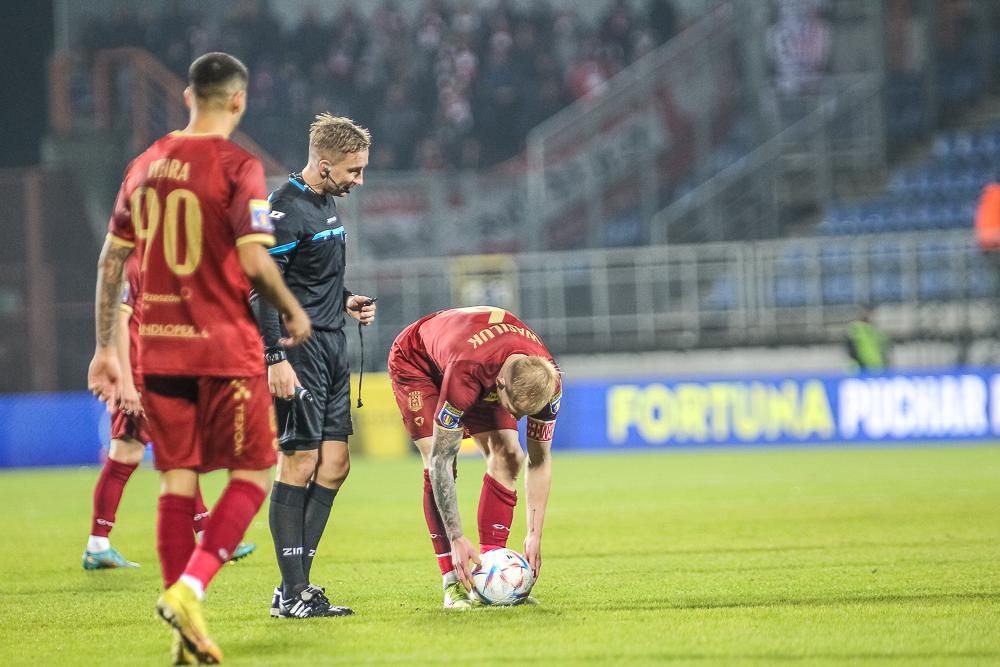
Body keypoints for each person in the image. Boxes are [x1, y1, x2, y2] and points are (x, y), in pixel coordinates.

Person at [87, 52, 311, 664]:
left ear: (188, 96)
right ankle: (189, 589)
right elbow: (255, 260)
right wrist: (291, 308)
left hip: (158, 353)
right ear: (239, 101)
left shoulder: (142, 166)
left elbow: (111, 261)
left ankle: (183, 635)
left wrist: (105, 348)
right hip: (223, 348)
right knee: (255, 473)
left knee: (177, 480)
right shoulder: (240, 166)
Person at [252, 113, 376, 619]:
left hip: (331, 345)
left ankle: (293, 588)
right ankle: (294, 592)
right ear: (324, 165)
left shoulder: (325, 201)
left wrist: (344, 300)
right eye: (353, 170)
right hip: (297, 350)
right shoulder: (281, 210)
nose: (359, 180)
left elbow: (308, 278)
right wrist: (274, 357)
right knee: (299, 463)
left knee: (336, 465)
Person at [83, 253, 256, 571]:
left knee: (138, 454)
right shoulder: (133, 264)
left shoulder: (155, 262)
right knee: (159, 454)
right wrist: (127, 383)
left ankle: (99, 543)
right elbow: (120, 320)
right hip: (140, 376)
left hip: (153, 372)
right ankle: (205, 537)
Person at [386, 306, 561, 609]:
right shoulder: (466, 371)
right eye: (512, 410)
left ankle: (492, 577)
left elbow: (540, 460)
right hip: (419, 361)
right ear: (500, 385)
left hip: (480, 359)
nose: (516, 418)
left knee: (510, 455)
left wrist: (534, 535)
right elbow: (441, 461)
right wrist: (456, 537)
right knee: (437, 456)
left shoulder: (549, 381)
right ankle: (452, 583)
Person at [846, 304, 891, 371]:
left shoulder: (875, 329)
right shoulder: (856, 328)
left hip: (878, 367)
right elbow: (852, 349)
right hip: (862, 368)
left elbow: (883, 349)